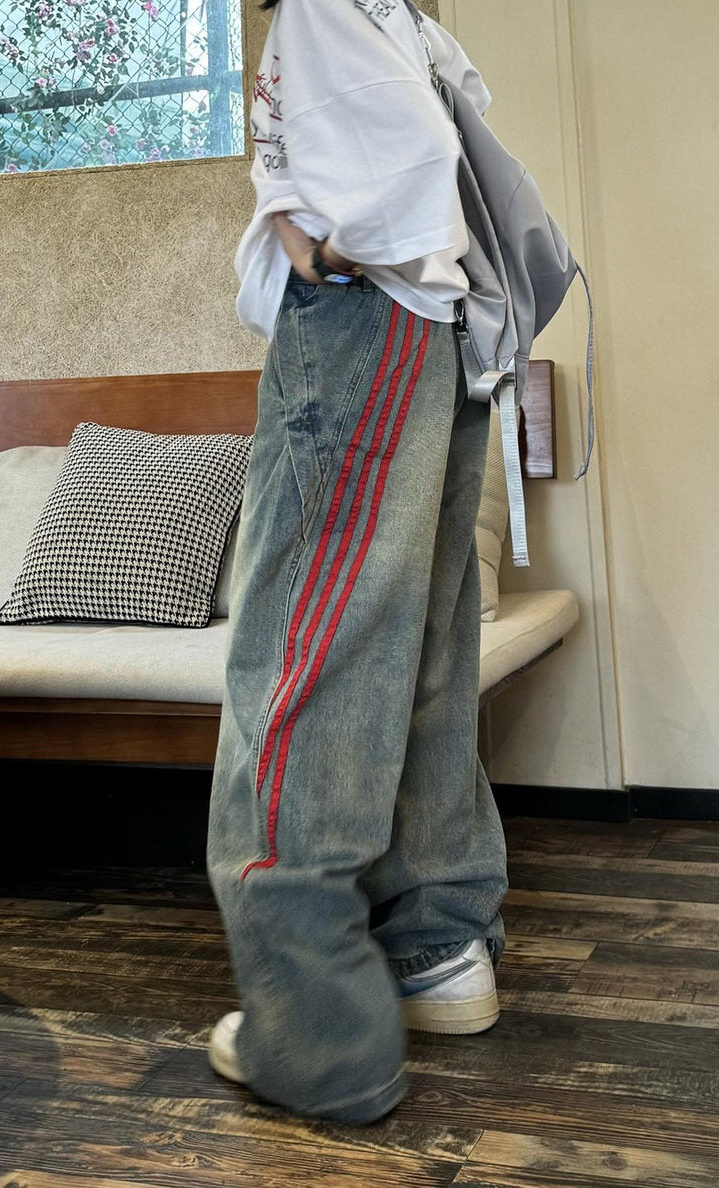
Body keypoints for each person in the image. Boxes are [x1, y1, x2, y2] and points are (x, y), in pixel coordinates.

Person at [205, 0, 508, 1124]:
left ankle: (318, 1032)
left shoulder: (321, 6)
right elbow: (453, 135)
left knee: (301, 658)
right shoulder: (400, 16)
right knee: (417, 651)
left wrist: (327, 249)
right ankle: (439, 950)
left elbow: (418, 156)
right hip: (435, 336)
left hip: (361, 320)